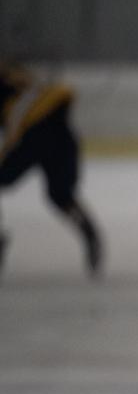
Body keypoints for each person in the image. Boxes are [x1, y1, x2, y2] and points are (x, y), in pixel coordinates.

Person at [0, 61, 103, 277]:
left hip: (32, 135)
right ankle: (89, 231)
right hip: (60, 133)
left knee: (59, 194)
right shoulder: (17, 76)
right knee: (60, 195)